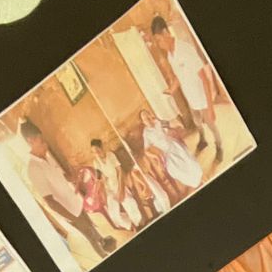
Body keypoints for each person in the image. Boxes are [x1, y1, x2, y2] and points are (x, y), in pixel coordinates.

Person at [19, 119, 116, 259]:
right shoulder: (33, 169)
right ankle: (104, 256)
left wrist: (72, 177)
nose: (45, 144)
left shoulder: (47, 157)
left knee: (90, 225)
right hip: (68, 210)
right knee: (88, 234)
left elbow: (62, 176)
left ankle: (103, 241)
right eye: (41, 141)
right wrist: (72, 218)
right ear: (31, 141)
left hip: (74, 201)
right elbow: (50, 201)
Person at [150, 13, 223, 164]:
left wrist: (210, 107)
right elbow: (179, 76)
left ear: (165, 32)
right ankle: (203, 139)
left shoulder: (185, 50)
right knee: (197, 121)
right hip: (190, 97)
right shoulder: (170, 56)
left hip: (202, 97)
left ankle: (219, 147)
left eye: (158, 39)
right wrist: (172, 89)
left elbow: (204, 78)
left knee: (211, 124)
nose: (158, 44)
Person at [139, 105, 203, 194]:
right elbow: (146, 150)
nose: (148, 119)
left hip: (173, 145)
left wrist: (176, 128)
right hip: (165, 154)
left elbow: (172, 124)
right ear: (143, 122)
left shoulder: (158, 122)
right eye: (145, 119)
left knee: (189, 161)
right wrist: (156, 157)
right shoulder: (146, 133)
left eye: (148, 116)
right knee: (176, 169)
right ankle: (194, 183)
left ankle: (199, 179)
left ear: (150, 115)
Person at [89, 137, 142, 231]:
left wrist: (121, 190)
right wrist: (94, 194)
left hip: (118, 183)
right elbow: (98, 179)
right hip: (109, 188)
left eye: (97, 150)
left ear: (101, 147)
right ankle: (130, 225)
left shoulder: (110, 155)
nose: (96, 153)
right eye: (93, 152)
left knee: (129, 203)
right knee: (113, 213)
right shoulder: (96, 162)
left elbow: (120, 172)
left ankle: (138, 224)